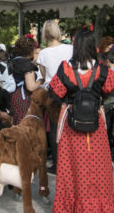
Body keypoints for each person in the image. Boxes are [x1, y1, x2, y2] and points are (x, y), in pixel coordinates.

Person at [49, 29, 114, 212]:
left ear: (75, 46)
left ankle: (71, 206)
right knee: (98, 168)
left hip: (71, 125)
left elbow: (55, 93)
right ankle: (98, 206)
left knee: (71, 167)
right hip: (96, 124)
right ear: (92, 46)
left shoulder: (65, 68)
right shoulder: (102, 69)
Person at [36, 20, 73, 174]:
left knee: (54, 129)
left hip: (53, 93)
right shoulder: (71, 49)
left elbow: (45, 76)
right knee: (70, 128)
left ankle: (57, 164)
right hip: (71, 90)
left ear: (44, 33)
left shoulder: (43, 53)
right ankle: (71, 161)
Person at [10, 36, 44, 125]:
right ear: (30, 50)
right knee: (25, 127)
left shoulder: (14, 61)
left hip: (14, 95)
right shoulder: (27, 65)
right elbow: (31, 86)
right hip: (23, 98)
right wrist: (42, 80)